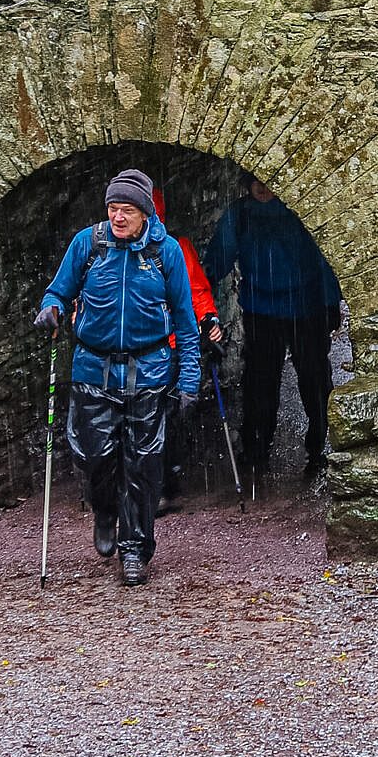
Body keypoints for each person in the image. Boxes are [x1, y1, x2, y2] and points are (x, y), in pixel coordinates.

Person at [34, 168, 200, 586]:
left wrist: (189, 379)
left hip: (149, 371)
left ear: (145, 213)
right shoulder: (88, 244)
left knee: (143, 466)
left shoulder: (165, 252)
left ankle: (135, 550)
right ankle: (105, 509)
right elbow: (59, 290)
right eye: (113, 208)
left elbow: (185, 320)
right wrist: (51, 308)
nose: (118, 217)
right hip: (93, 368)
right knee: (95, 458)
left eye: (127, 209)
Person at [204, 175, 342, 479]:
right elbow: (218, 258)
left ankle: (319, 443)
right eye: (256, 182)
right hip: (262, 311)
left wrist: (330, 302)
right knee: (260, 383)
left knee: (314, 379)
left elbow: (324, 258)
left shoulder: (299, 210)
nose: (262, 187)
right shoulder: (240, 215)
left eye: (268, 181)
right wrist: (200, 295)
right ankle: (257, 445)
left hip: (306, 309)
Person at [151, 187, 223, 514]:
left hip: (171, 346)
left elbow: (197, 290)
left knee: (164, 414)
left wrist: (209, 317)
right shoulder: (110, 249)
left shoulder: (176, 247)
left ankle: (163, 482)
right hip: (136, 347)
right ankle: (154, 482)